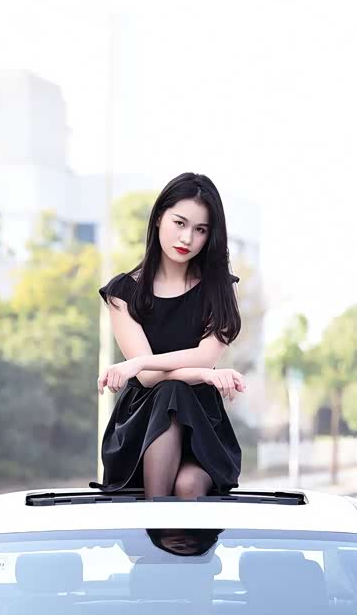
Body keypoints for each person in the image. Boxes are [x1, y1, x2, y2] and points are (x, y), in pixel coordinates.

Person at [96, 172, 246, 498]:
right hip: (142, 424)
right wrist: (205, 376)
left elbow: (204, 357)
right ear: (158, 218)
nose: (187, 238)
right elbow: (150, 380)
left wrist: (139, 363)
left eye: (200, 230)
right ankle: (156, 519)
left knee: (189, 485)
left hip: (202, 425)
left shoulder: (221, 289)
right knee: (169, 392)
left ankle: (164, 519)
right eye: (179, 223)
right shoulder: (123, 293)